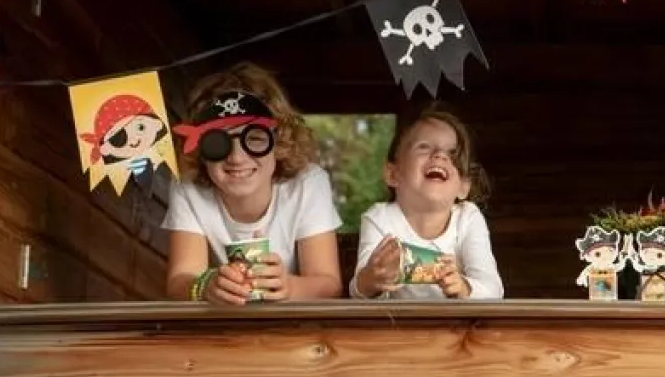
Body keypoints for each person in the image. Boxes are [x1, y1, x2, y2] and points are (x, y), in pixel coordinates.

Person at [162, 62, 343, 304]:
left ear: (279, 143)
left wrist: (289, 287)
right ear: (199, 150)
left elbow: (329, 285)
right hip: (222, 319)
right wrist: (206, 286)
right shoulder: (189, 187)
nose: (237, 158)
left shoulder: (307, 184)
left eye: (255, 139)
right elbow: (179, 281)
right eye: (217, 143)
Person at [350, 105, 503, 300]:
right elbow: (359, 292)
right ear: (393, 174)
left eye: (453, 154)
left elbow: (493, 290)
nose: (440, 155)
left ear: (463, 187)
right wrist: (371, 280)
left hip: (458, 320)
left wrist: (464, 288)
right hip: (397, 321)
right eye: (424, 147)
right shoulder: (379, 218)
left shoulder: (468, 217)